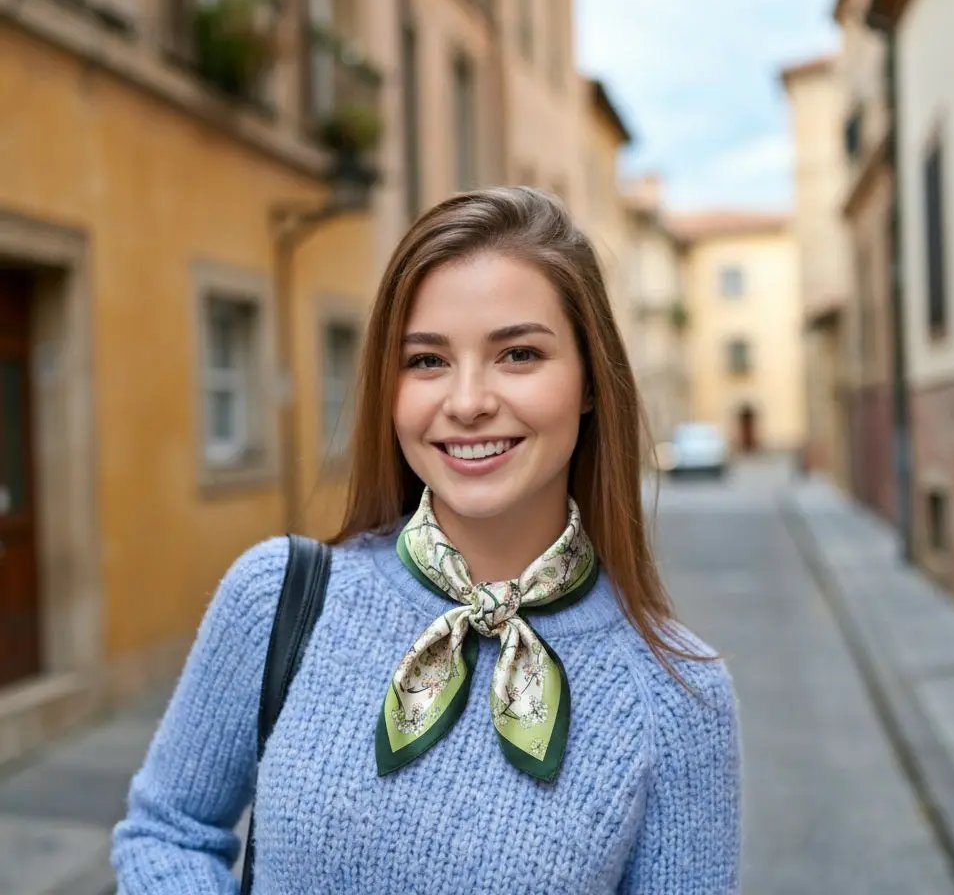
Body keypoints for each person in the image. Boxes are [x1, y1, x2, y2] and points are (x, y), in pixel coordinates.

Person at [111, 186, 742, 893]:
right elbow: (167, 832)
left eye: (519, 355)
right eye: (427, 361)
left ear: (591, 381)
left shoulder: (679, 697)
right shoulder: (277, 599)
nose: (467, 402)